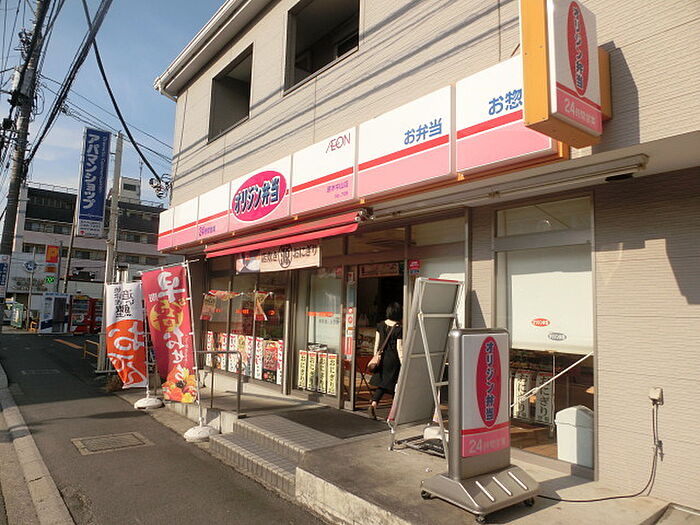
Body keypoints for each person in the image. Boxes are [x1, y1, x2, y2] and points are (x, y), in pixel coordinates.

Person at [368, 302, 403, 420]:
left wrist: (376, 357)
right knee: (393, 384)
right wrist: (403, 363)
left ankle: (374, 404)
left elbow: (377, 343)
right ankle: (395, 412)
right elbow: (399, 348)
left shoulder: (380, 325)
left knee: (384, 384)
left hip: (381, 358)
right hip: (393, 360)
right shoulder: (399, 329)